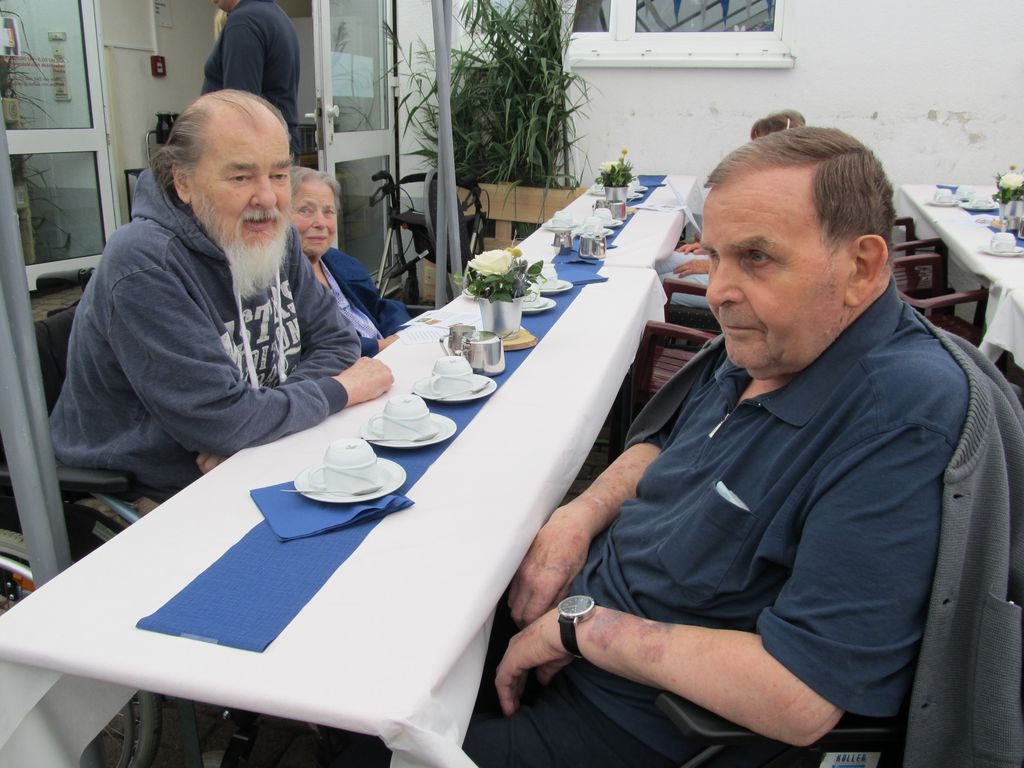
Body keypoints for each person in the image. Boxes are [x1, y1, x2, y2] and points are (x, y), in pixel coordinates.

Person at [461, 127, 979, 767]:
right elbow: (663, 443)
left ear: (862, 267)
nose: (717, 291)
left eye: (756, 257)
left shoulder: (898, 416)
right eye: (714, 255)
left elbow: (802, 694)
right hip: (570, 622)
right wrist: (580, 514)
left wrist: (582, 629)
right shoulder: (775, 341)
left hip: (633, 723)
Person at [50, 90, 393, 501]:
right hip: (154, 489)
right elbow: (219, 420)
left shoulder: (274, 235)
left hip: (260, 450)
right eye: (240, 177)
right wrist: (339, 390)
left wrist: (258, 421)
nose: (268, 198)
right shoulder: (145, 263)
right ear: (183, 182)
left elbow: (337, 339)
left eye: (278, 175)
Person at [657, 109, 807, 308]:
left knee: (654, 286)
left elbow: (764, 260)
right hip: (728, 266)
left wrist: (710, 264)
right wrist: (712, 249)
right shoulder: (775, 185)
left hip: (748, 286)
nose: (753, 153)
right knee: (657, 263)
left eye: (759, 147)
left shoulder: (791, 198)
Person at [290, 167, 410, 356]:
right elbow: (313, 345)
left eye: (328, 212)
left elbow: (378, 306)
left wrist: (401, 333)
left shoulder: (338, 262)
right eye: (305, 210)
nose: (321, 223)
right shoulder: (281, 285)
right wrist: (379, 346)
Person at [203, 0, 301, 157]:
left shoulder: (244, 21)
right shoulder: (273, 15)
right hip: (277, 144)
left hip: (257, 151)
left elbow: (240, 107)